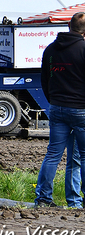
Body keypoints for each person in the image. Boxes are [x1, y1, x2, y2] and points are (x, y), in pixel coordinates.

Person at [35, 12, 85, 208]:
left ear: (68, 26)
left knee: (53, 155)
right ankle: (76, 200)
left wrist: (53, 101)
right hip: (81, 109)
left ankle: (43, 198)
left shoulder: (51, 49)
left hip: (57, 108)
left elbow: (44, 79)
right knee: (82, 156)